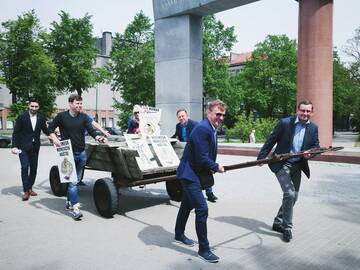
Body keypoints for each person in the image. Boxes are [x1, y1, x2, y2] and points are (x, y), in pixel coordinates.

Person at [257, 100, 320, 242]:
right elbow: (270, 141)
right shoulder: (285, 123)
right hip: (281, 164)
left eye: (308, 111)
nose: (305, 114)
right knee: (290, 193)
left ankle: (278, 222)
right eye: (302, 110)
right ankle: (287, 228)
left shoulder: (313, 128)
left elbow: (316, 146)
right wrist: (261, 158)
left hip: (298, 166)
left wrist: (311, 153)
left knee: (294, 197)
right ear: (297, 111)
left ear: (312, 112)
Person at [174, 100, 226, 263]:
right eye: (218, 114)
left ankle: (178, 234)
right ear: (209, 113)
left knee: (186, 204)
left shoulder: (211, 128)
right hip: (189, 175)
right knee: (202, 208)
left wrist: (212, 166)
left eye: (223, 115)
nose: (221, 118)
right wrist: (216, 166)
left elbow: (203, 155)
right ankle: (204, 249)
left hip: (194, 172)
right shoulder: (203, 129)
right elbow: (201, 157)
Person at [49, 94, 107, 220]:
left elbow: (91, 131)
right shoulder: (61, 116)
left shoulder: (84, 117)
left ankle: (69, 202)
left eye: (81, 104)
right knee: (73, 182)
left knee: (75, 180)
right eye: (77, 104)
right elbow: (50, 128)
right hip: (67, 154)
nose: (80, 106)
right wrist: (54, 139)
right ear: (70, 103)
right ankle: (75, 209)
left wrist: (99, 137)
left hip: (81, 154)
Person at [172, 109, 219, 203]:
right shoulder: (178, 126)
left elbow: (201, 139)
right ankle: (194, 194)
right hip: (186, 152)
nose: (181, 118)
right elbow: (176, 135)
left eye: (183, 116)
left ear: (187, 116)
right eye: (179, 117)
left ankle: (209, 193)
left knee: (204, 172)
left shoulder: (195, 124)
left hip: (198, 151)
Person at [11, 98, 50, 201]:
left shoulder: (41, 117)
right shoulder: (22, 117)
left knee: (33, 169)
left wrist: (53, 135)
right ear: (28, 106)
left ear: (38, 107)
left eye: (36, 106)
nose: (34, 108)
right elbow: (16, 132)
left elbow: (46, 130)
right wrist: (14, 146)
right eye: (32, 106)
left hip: (35, 147)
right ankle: (26, 191)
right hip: (22, 147)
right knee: (24, 167)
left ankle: (30, 187)